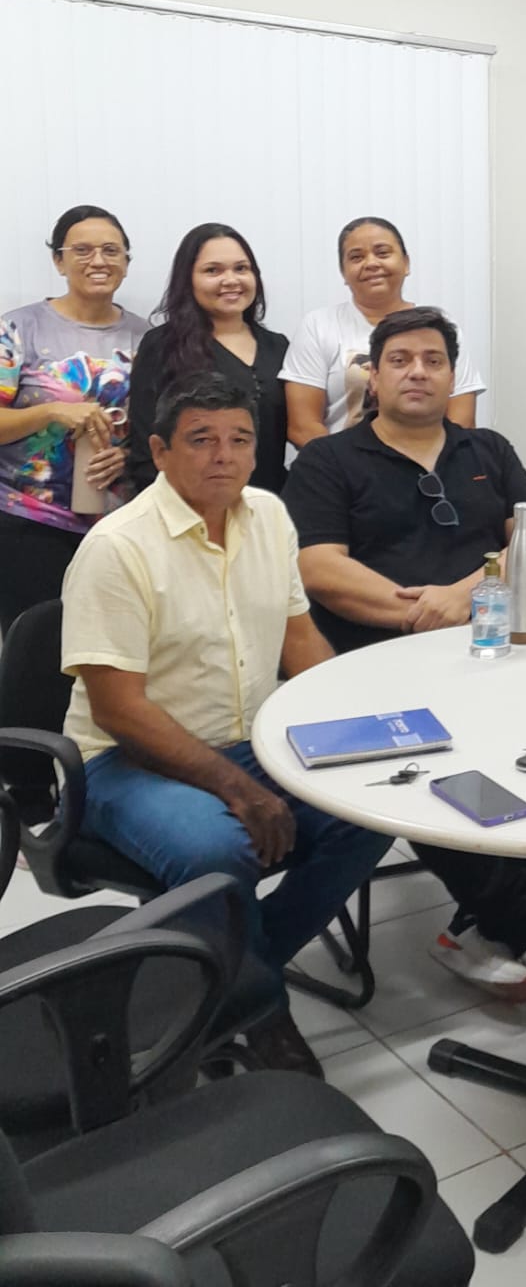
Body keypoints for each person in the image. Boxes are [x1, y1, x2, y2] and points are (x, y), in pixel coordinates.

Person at [60, 371, 389, 1074]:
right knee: (218, 850)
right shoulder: (118, 547)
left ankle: (228, 972)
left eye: (239, 439)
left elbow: (300, 641)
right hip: (125, 760)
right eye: (202, 440)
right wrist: (240, 791)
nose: (224, 456)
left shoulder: (269, 514)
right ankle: (259, 1009)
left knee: (373, 807)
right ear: (160, 449)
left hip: (252, 739)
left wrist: (365, 729)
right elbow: (119, 710)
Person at [284, 306, 526, 1022]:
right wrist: (418, 613)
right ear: (375, 373)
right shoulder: (330, 460)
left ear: (452, 374)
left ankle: (473, 924)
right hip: (374, 665)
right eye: (400, 360)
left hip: (491, 652)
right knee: (437, 764)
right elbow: (319, 567)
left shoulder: (486, 448)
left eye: (432, 359)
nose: (417, 371)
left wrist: (460, 597)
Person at [0, 204, 147, 631]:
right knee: (37, 651)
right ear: (58, 260)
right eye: (81, 250)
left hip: (120, 526)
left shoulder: (148, 337)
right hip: (28, 523)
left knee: (111, 650)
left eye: (110, 250)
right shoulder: (18, 330)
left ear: (125, 262)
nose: (98, 261)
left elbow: (161, 426)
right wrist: (51, 411)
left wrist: (131, 455)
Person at [281, 216, 484, 446]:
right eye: (356, 257)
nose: (371, 263)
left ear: (406, 263)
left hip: (429, 472)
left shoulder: (440, 328)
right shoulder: (319, 325)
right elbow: (302, 426)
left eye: (383, 253)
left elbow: (462, 421)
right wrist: (348, 471)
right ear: (343, 272)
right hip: (341, 474)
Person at [127, 224, 290, 493]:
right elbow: (145, 448)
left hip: (267, 509)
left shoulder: (279, 347)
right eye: (213, 270)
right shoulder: (163, 345)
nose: (231, 280)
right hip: (189, 507)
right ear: (187, 279)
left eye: (241, 268)